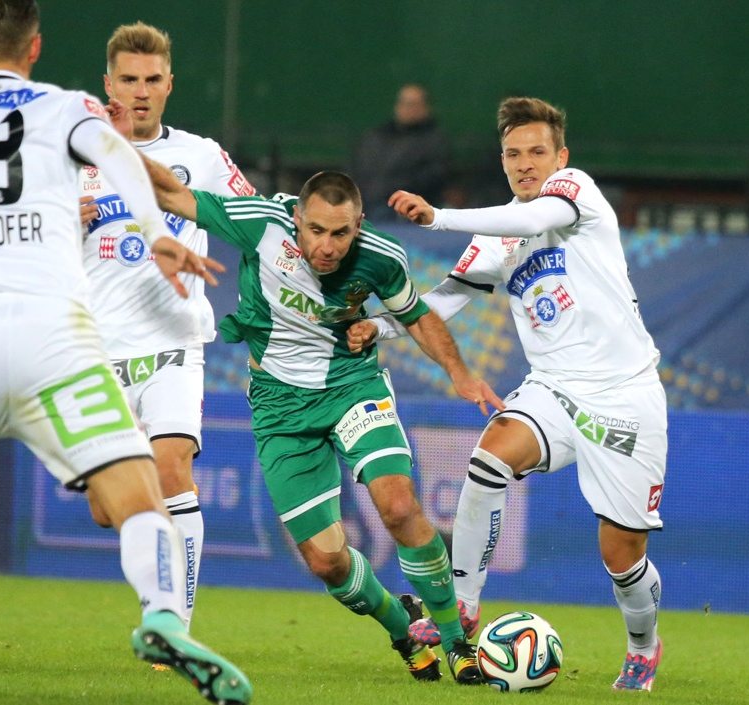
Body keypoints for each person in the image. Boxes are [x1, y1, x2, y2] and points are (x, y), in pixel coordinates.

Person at [0, 2, 251, 704]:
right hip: (55, 329)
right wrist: (155, 230)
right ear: (35, 49)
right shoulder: (67, 108)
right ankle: (160, 614)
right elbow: (120, 155)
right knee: (137, 490)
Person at [121, 146, 505, 684]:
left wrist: (459, 373)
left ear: (359, 226)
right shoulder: (259, 223)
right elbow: (171, 193)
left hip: (352, 385)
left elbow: (416, 317)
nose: (327, 247)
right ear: (297, 218)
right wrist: (104, 144)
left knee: (396, 504)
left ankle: (457, 641)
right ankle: (402, 624)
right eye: (317, 230)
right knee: (327, 563)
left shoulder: (381, 257)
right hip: (279, 406)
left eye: (340, 234)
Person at [350, 97, 667, 692]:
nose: (525, 164)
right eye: (513, 154)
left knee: (622, 557)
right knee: (487, 459)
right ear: (502, 160)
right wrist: (384, 326)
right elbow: (444, 298)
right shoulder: (498, 238)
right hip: (552, 387)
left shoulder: (576, 192)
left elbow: (526, 220)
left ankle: (643, 645)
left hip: (624, 394)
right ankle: (464, 607)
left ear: (560, 156)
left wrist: (438, 217)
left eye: (537, 152)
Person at [76, 21, 256, 633]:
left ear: (170, 84)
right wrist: (58, 219)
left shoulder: (201, 157)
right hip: (96, 355)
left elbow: (255, 222)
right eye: (129, 79)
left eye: (153, 80)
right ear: (109, 84)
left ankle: (172, 625)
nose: (141, 91)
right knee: (108, 508)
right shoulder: (71, 159)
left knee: (174, 468)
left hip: (175, 342)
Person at [350, 84, 450, 220]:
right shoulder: (376, 137)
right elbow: (357, 168)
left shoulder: (434, 141)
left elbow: (432, 177)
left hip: (402, 212)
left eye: (413, 104)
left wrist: (391, 194)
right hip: (365, 203)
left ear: (426, 107)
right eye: (404, 103)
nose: (408, 109)